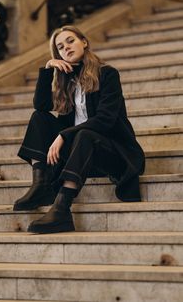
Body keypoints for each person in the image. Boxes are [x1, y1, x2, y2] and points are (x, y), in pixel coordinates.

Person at [13, 25, 145, 234]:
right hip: (80, 158)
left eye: (70, 41)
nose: (66, 48)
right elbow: (41, 106)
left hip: (112, 153)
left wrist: (63, 136)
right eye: (60, 47)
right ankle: (41, 185)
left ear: (84, 42)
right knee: (39, 117)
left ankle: (62, 210)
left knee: (85, 135)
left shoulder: (107, 74)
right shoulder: (68, 82)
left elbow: (104, 121)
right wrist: (48, 69)